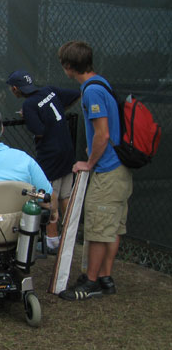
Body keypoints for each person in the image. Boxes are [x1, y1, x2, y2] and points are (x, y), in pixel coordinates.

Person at [57, 40, 132, 301]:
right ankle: (104, 277)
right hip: (120, 171)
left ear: (68, 66)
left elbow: (102, 134)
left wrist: (90, 163)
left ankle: (91, 282)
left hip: (108, 172)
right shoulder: (101, 83)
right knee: (111, 227)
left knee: (99, 228)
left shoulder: (91, 92)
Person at [7, 69, 80, 254]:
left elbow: (38, 130)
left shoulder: (30, 104)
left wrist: (28, 116)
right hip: (67, 149)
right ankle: (70, 235)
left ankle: (53, 241)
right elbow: (74, 95)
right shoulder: (49, 90)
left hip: (50, 154)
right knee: (65, 196)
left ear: (16, 88)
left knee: (49, 196)